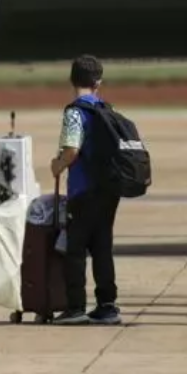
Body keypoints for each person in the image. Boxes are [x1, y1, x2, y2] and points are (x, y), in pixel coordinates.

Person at [49, 55, 124, 326]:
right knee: (103, 247)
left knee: (76, 248)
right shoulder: (107, 108)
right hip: (109, 190)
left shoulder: (74, 112)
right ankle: (107, 305)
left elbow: (71, 150)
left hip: (83, 190)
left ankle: (76, 306)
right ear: (98, 83)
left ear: (72, 79)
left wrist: (57, 165)